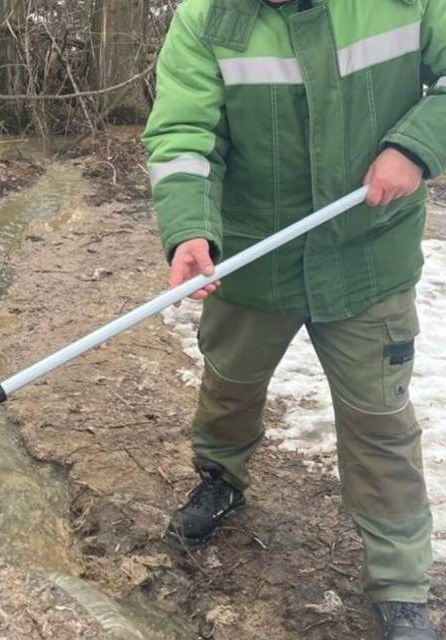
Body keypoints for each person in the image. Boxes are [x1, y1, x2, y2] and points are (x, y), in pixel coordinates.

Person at [142, 0, 444, 637]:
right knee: (230, 383)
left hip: (368, 255)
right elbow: (183, 134)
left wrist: (414, 146)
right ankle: (219, 477)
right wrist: (190, 227)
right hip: (256, 255)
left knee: (380, 418)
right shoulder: (208, 18)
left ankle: (399, 580)